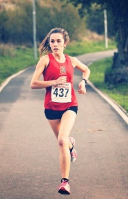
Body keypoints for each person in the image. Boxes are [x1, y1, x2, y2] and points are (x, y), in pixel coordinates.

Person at [30, 28, 90, 195]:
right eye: (52, 41)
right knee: (64, 142)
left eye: (58, 41)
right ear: (49, 44)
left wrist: (83, 82)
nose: (55, 44)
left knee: (61, 140)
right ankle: (72, 145)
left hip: (70, 105)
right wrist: (53, 82)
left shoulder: (72, 60)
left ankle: (65, 182)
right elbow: (33, 83)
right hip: (51, 108)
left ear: (65, 43)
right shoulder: (45, 60)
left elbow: (86, 70)